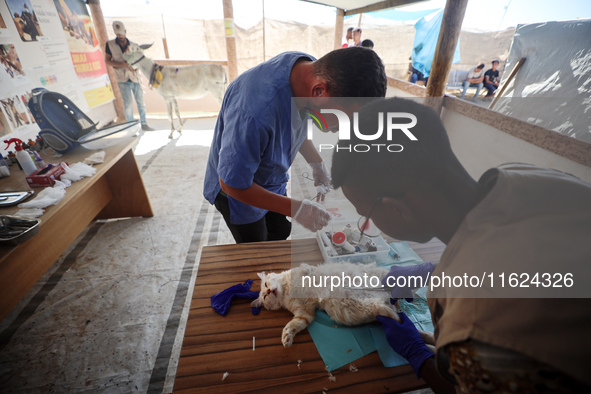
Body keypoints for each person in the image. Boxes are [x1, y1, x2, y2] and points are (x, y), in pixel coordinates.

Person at [331, 97, 591, 393]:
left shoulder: (474, 324)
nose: (370, 225)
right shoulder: (525, 177)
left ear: (398, 210)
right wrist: (434, 269)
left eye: (367, 216)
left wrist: (420, 356)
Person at [204, 47, 387, 244]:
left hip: (270, 176)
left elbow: (293, 122)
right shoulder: (254, 114)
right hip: (239, 189)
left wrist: (317, 162)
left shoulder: (309, 72)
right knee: (256, 246)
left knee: (280, 229)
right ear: (319, 91)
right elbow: (232, 183)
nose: (341, 129)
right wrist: (296, 209)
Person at [104, 21, 155, 131]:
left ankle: (144, 123)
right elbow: (107, 61)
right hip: (121, 78)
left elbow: (140, 60)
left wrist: (136, 67)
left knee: (141, 102)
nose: (120, 36)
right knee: (127, 104)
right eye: (117, 34)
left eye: (121, 34)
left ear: (125, 32)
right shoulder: (110, 45)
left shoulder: (134, 45)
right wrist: (121, 64)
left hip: (135, 77)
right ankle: (131, 126)